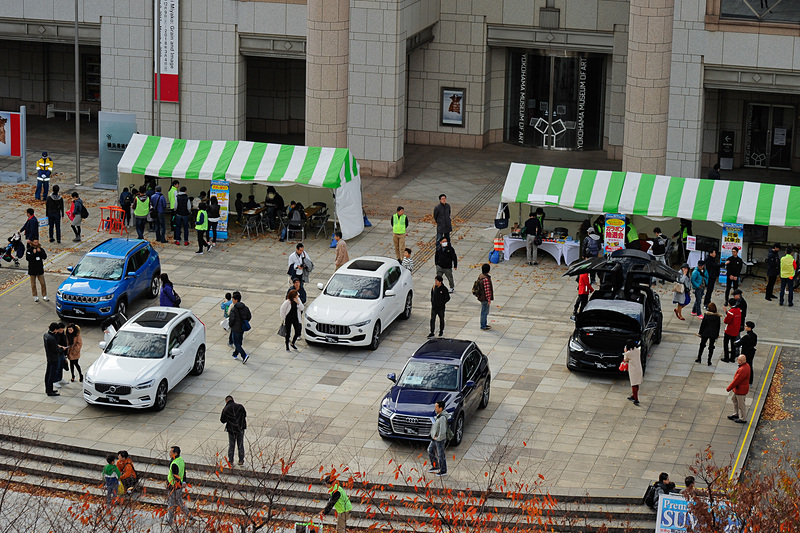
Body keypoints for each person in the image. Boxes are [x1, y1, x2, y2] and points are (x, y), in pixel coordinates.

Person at [164, 446, 195, 525]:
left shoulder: (174, 463)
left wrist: (179, 484)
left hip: (174, 486)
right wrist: (184, 481)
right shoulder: (180, 460)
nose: (169, 453)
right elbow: (183, 471)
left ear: (175, 453)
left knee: (171, 503)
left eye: (171, 452)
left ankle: (170, 520)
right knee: (179, 502)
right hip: (178, 486)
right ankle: (190, 517)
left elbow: (175, 476)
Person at [220, 395, 247, 466]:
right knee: (240, 445)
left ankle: (231, 461)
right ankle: (241, 460)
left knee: (231, 445)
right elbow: (245, 415)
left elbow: (222, 420)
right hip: (240, 429)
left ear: (226, 401)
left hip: (231, 430)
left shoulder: (226, 409)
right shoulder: (240, 406)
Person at [726, 354, 751, 424]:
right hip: (739, 389)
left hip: (740, 390)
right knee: (734, 399)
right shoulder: (746, 366)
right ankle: (735, 414)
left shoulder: (743, 369)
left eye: (738, 360)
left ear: (740, 361)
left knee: (741, 404)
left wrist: (729, 388)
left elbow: (737, 380)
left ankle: (743, 419)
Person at [427, 400, 448, 477]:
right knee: (430, 450)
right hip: (435, 437)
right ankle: (435, 465)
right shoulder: (438, 415)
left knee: (441, 454)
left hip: (439, 439)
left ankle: (443, 470)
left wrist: (438, 438)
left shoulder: (442, 417)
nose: (435, 408)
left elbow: (442, 430)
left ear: (441, 408)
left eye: (436, 407)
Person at [228, 291, 251, 364]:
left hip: (235, 328)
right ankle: (235, 354)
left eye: (233, 299)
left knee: (236, 343)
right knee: (239, 342)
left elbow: (231, 320)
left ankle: (244, 355)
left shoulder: (234, 309)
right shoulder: (245, 308)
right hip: (242, 328)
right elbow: (249, 316)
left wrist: (231, 325)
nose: (232, 300)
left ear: (236, 300)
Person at [25, 237, 48, 303]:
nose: (36, 243)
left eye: (37, 242)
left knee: (43, 283)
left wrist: (40, 252)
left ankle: (44, 295)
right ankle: (35, 296)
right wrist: (34, 253)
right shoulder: (29, 250)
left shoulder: (40, 249)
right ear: (32, 242)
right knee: (33, 284)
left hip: (39, 269)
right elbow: (28, 258)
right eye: (35, 242)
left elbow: (44, 256)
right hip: (32, 270)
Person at [735, 321, 757, 385]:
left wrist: (735, 343)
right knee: (750, 365)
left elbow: (738, 343)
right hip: (751, 352)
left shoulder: (746, 337)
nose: (745, 327)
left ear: (749, 328)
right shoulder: (754, 335)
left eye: (746, 326)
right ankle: (750, 380)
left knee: (744, 366)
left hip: (746, 352)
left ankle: (744, 379)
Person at [43, 322, 62, 397]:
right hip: (54, 358)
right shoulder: (52, 338)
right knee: (51, 374)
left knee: (48, 373)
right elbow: (55, 350)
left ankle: (48, 389)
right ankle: (50, 391)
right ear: (55, 330)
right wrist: (61, 349)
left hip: (49, 357)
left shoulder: (46, 336)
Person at [623, 338, 643, 406]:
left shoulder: (629, 353)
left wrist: (625, 352)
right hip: (639, 368)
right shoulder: (637, 350)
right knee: (636, 383)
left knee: (633, 384)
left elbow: (625, 359)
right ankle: (634, 396)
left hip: (633, 370)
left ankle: (636, 399)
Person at [723, 298, 742, 363]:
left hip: (729, 330)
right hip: (736, 330)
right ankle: (732, 358)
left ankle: (726, 358)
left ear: (729, 304)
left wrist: (726, 313)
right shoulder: (738, 310)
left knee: (726, 344)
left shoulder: (731, 312)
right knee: (733, 344)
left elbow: (726, 321)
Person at [475, 263, 493, 331]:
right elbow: (487, 290)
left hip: (481, 297)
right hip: (484, 298)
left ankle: (484, 324)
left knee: (484, 311)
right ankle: (483, 325)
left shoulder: (481, 276)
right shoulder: (486, 279)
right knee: (484, 312)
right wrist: (489, 299)